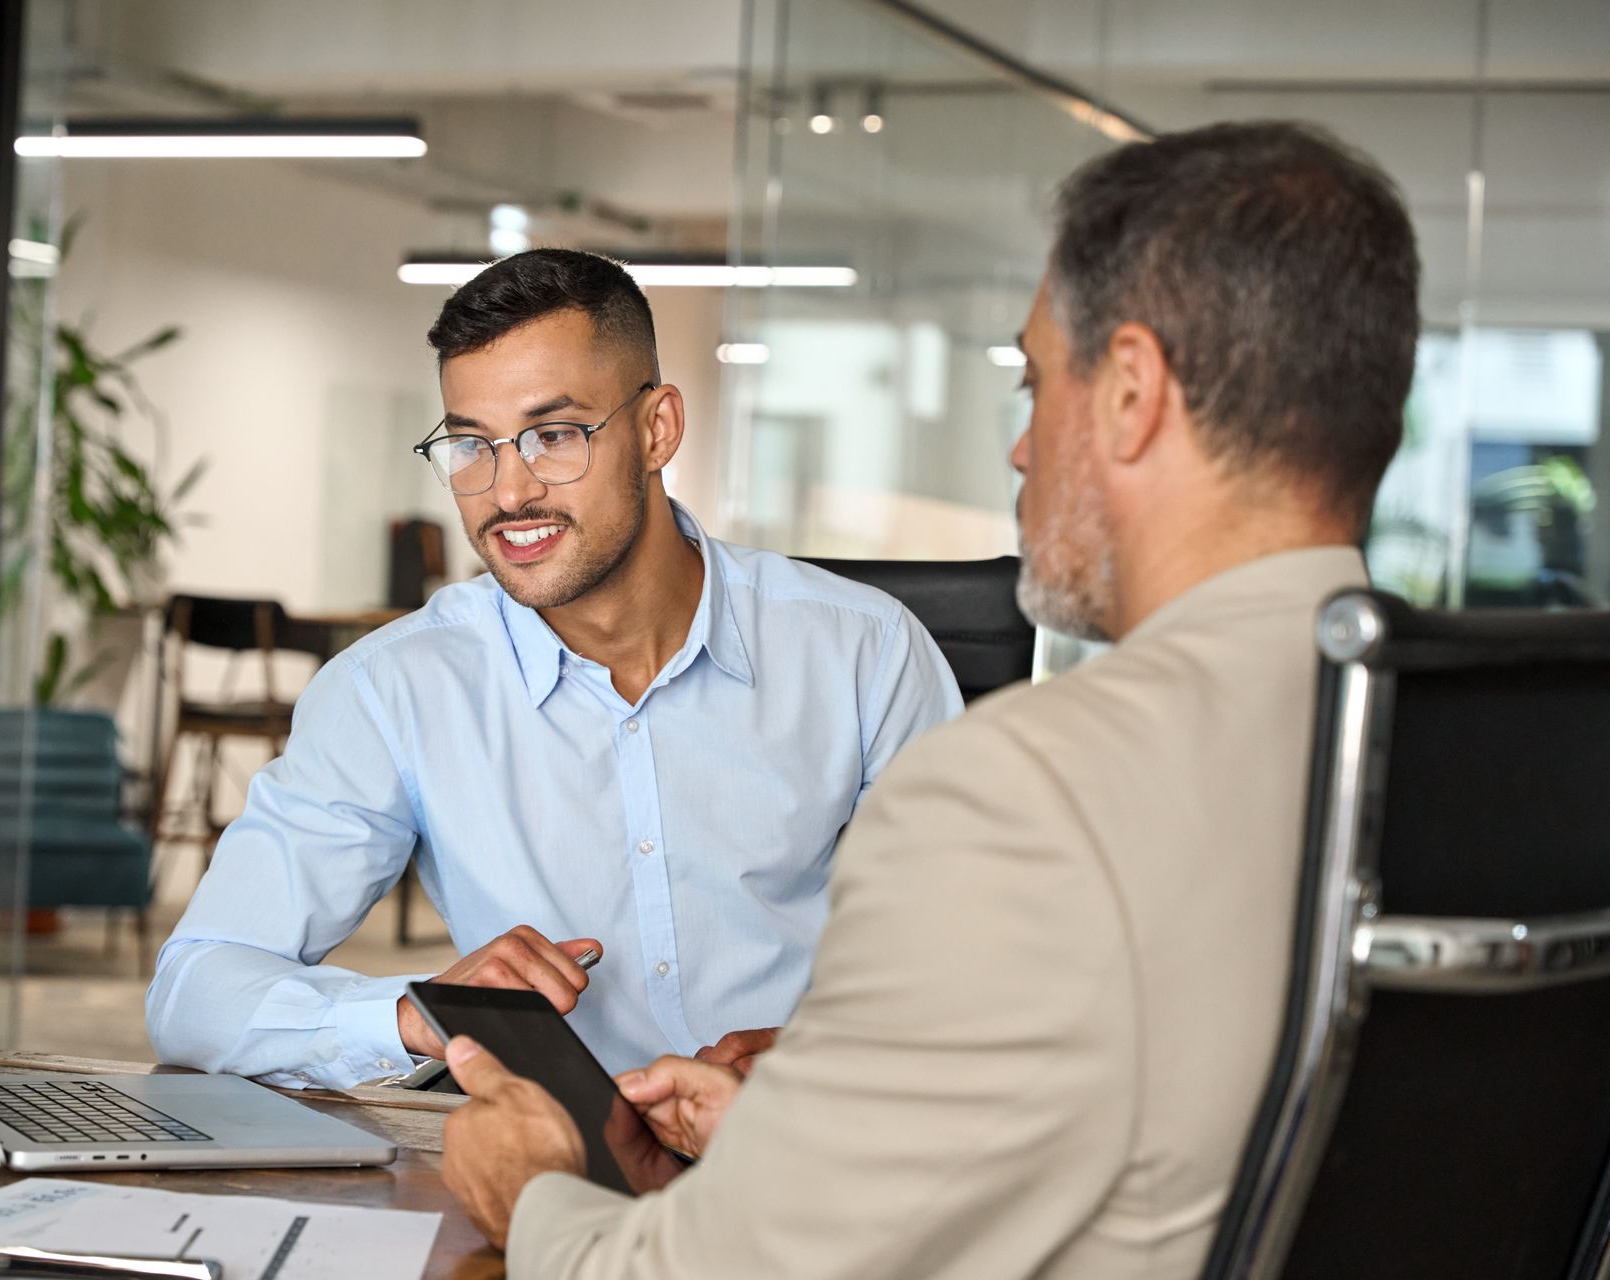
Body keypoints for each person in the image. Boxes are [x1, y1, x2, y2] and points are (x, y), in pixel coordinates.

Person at [438, 119, 1421, 1278]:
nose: (1018, 449)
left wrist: (538, 1193)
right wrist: (798, 1133)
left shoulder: (1022, 788)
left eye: (1032, 378)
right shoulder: (1468, 752)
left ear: (1132, 395)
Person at [147, 249, 962, 1089]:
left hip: (808, 1154)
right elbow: (195, 989)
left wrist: (832, 1063)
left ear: (658, 429)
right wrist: (414, 1013)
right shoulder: (396, 690)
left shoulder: (866, 655)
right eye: (470, 445)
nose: (507, 492)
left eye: (554, 435)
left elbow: (975, 968)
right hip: (542, 1172)